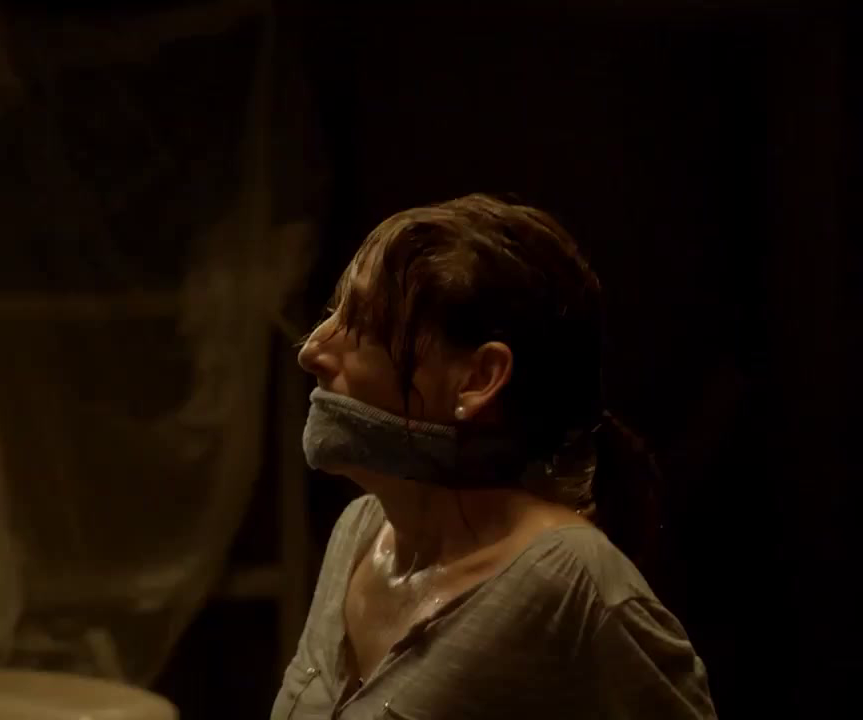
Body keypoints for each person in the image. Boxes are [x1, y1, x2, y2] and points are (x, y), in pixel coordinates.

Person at [274, 194, 717, 719]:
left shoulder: (576, 585)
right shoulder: (359, 532)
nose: (312, 351)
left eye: (364, 324)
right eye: (333, 314)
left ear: (479, 379)